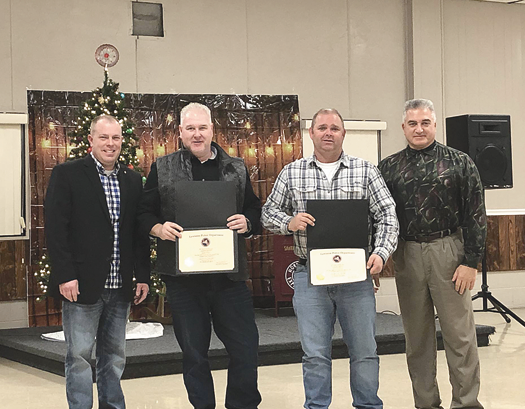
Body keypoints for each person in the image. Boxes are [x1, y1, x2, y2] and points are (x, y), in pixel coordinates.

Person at [261, 108, 399, 409]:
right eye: (322, 127)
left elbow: (388, 215)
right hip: (310, 276)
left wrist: (381, 252)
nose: (328, 133)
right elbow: (268, 213)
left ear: (343, 134)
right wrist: (288, 222)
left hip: (356, 277)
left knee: (364, 351)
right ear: (311, 133)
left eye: (334, 128)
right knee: (314, 354)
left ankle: (368, 405)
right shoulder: (292, 172)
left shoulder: (366, 171)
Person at [138, 102, 262, 409]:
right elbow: (143, 212)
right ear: (180, 132)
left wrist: (247, 221)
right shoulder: (162, 167)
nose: (197, 134)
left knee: (246, 348)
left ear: (212, 130)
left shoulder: (236, 167)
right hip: (183, 280)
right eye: (190, 128)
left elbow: (253, 208)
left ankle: (242, 405)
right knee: (194, 354)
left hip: (229, 278)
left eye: (202, 128)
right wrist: (158, 228)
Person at [378, 99, 487, 409]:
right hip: (407, 253)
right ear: (403, 128)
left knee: (459, 335)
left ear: (435, 125)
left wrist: (471, 262)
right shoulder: (388, 167)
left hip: (448, 251)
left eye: (425, 122)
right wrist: (376, 258)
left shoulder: (460, 162)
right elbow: (378, 217)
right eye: (413, 123)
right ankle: (426, 403)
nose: (419, 129)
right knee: (417, 338)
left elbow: (476, 214)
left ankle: (466, 403)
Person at [45, 114, 150, 409]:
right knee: (79, 356)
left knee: (114, 356)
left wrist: (143, 275)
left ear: (122, 142)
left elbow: (138, 233)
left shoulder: (132, 179)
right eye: (104, 137)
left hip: (120, 286)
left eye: (116, 138)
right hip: (81, 285)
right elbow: (56, 229)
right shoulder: (68, 174)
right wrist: (65, 275)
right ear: (91, 139)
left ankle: (113, 405)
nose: (110, 143)